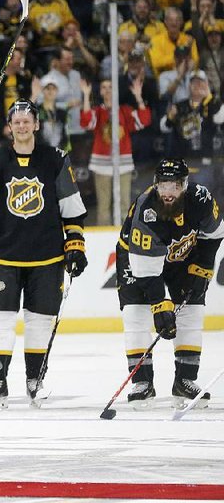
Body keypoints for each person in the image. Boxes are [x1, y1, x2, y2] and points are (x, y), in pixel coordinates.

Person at [0, 99, 87, 410]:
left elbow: (71, 208)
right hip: (5, 257)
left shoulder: (56, 159)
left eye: (26, 120)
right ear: (9, 126)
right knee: (0, 321)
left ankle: (35, 380)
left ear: (36, 124)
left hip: (47, 257)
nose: (21, 126)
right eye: (16, 121)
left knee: (40, 321)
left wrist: (75, 244)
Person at [115, 158, 224, 410]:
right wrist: (159, 304)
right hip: (136, 258)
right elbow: (145, 269)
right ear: (155, 184)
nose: (168, 192)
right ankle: (142, 383)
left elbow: (214, 234)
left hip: (182, 257)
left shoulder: (201, 200)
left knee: (192, 310)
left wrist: (203, 269)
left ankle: (184, 380)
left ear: (185, 185)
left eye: (175, 186)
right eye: (163, 185)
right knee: (136, 314)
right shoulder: (147, 209)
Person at [80, 77, 151, 226]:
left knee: (124, 205)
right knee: (103, 207)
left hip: (123, 164)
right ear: (100, 91)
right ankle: (104, 243)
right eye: (104, 87)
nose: (107, 90)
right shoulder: (98, 111)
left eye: (110, 87)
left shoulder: (125, 111)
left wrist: (138, 97)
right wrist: (86, 95)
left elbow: (144, 120)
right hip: (101, 165)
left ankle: (124, 240)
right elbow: (87, 122)